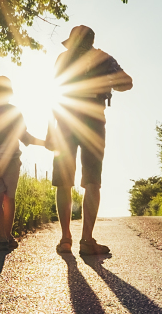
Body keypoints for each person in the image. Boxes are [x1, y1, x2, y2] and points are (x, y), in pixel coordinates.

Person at [49, 25, 133, 255]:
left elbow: (53, 93)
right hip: (93, 123)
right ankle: (86, 240)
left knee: (64, 181)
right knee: (92, 181)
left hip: (65, 122)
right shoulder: (104, 59)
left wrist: (50, 131)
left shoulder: (62, 59)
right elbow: (127, 82)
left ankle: (66, 238)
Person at [0, 76, 45, 252]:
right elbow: (25, 137)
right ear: (10, 93)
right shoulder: (14, 112)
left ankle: (2, 239)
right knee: (10, 197)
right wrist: (46, 143)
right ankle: (7, 236)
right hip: (11, 158)